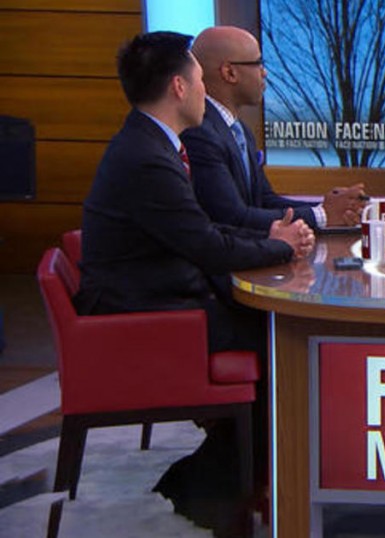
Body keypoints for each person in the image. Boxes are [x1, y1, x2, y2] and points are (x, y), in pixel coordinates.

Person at [75, 31, 314, 537]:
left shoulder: (153, 144)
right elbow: (206, 245)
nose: (206, 90)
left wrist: (274, 239)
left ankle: (241, 480)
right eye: (201, 79)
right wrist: (280, 245)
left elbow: (202, 231)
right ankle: (205, 488)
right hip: (145, 319)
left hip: (164, 299)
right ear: (179, 87)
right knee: (283, 346)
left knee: (273, 332)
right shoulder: (146, 158)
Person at [184, 25, 366, 232]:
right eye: (258, 63)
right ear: (230, 72)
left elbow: (264, 200)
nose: (265, 72)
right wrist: (323, 215)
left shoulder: (239, 130)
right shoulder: (200, 133)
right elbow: (232, 217)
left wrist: (329, 208)